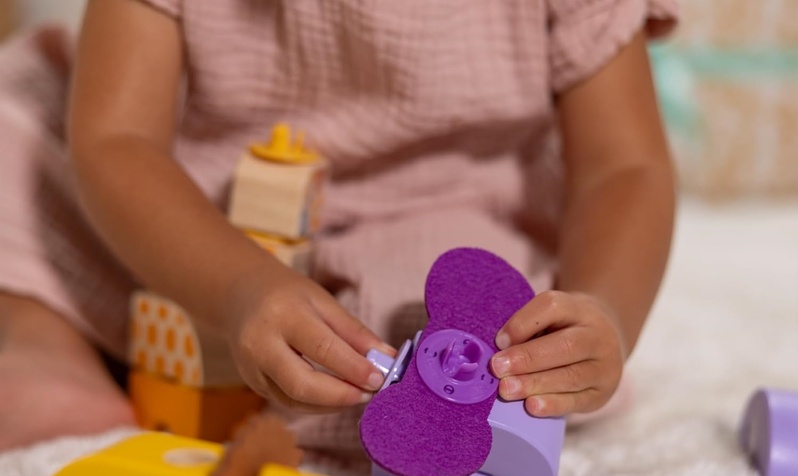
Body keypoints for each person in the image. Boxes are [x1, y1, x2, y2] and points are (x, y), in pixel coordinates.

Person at [0, 0, 678, 451]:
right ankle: (40, 333)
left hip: (436, 211)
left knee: (431, 357)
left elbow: (623, 167)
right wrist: (240, 286)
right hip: (191, 203)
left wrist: (604, 312)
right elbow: (117, 141)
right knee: (21, 128)